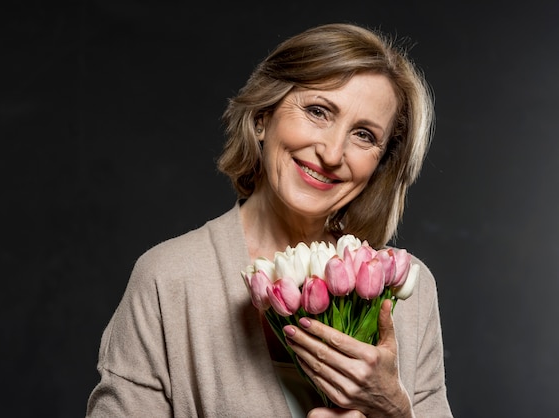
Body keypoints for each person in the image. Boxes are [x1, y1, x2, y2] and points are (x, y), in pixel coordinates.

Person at [86, 22, 453, 418]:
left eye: (364, 135)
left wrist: (395, 411)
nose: (332, 153)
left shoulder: (407, 290)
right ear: (263, 116)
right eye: (317, 111)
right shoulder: (169, 280)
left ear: (381, 163)